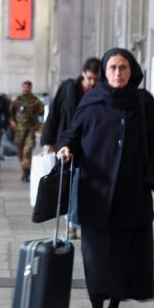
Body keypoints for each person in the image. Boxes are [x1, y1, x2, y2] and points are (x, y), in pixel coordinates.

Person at [56, 48, 154, 308]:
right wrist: (67, 147)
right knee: (95, 256)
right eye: (112, 68)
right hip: (96, 192)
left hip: (131, 194)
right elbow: (74, 132)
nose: (118, 73)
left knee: (122, 256)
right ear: (105, 73)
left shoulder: (144, 104)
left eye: (123, 67)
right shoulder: (91, 101)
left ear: (132, 71)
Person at [42, 57, 100, 238]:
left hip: (90, 147)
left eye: (96, 79)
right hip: (67, 145)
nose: (92, 82)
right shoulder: (68, 88)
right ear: (83, 73)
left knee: (84, 186)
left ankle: (80, 222)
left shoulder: (100, 93)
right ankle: (71, 225)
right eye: (90, 78)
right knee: (69, 184)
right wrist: (48, 140)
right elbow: (54, 113)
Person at [10, 80, 45, 182]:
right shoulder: (17, 100)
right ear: (22, 87)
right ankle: (25, 168)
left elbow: (43, 111)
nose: (26, 89)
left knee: (27, 149)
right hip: (19, 130)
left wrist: (41, 125)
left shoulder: (35, 100)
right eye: (24, 87)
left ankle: (26, 173)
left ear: (30, 88)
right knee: (20, 151)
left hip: (31, 129)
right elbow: (11, 112)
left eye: (27, 87)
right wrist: (12, 121)